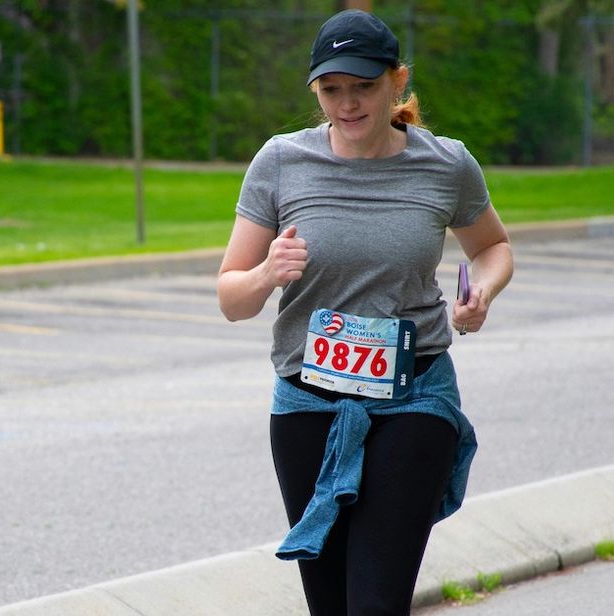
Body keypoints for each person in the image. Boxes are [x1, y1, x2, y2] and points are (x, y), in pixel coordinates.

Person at [217, 9, 513, 616]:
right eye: (331, 90)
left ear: (397, 82)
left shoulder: (446, 163)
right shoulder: (280, 162)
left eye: (364, 87)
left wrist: (480, 291)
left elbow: (492, 247)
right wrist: (268, 272)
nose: (347, 105)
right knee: (328, 603)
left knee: (376, 601)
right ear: (315, 91)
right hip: (308, 400)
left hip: (415, 395)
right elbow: (231, 298)